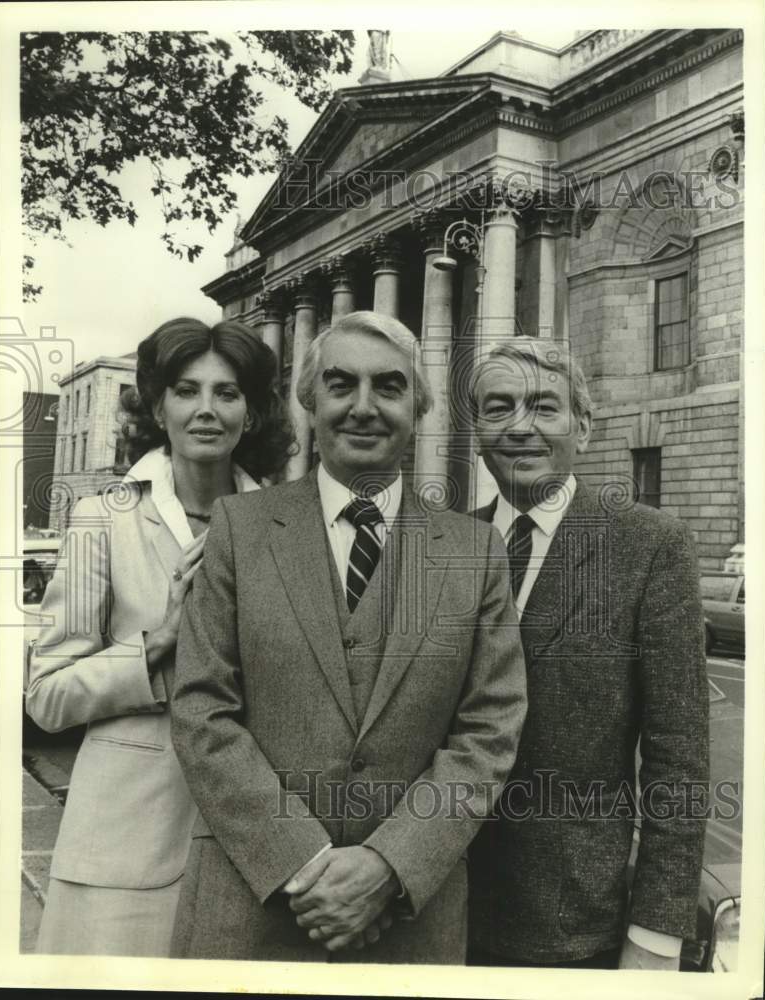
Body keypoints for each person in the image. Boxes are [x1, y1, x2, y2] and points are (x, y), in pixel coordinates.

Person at [169, 310, 527, 964]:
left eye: (388, 388)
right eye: (341, 385)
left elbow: (490, 726)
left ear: (417, 406)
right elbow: (200, 710)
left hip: (409, 926)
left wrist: (389, 866)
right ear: (310, 402)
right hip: (249, 916)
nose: (363, 407)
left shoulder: (475, 553)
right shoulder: (237, 530)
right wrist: (303, 864)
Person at [25, 317, 291, 957]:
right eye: (186, 390)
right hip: (123, 844)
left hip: (249, 844)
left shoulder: (281, 522)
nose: (207, 410)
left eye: (227, 394)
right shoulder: (102, 517)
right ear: (157, 405)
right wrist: (158, 639)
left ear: (251, 414)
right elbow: (46, 695)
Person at [466, 340, 709, 970]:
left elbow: (677, 757)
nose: (521, 426)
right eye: (499, 407)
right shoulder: (445, 543)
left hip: (575, 927)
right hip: (432, 912)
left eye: (544, 407)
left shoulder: (649, 545)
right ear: (477, 430)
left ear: (584, 425)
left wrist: (656, 935)